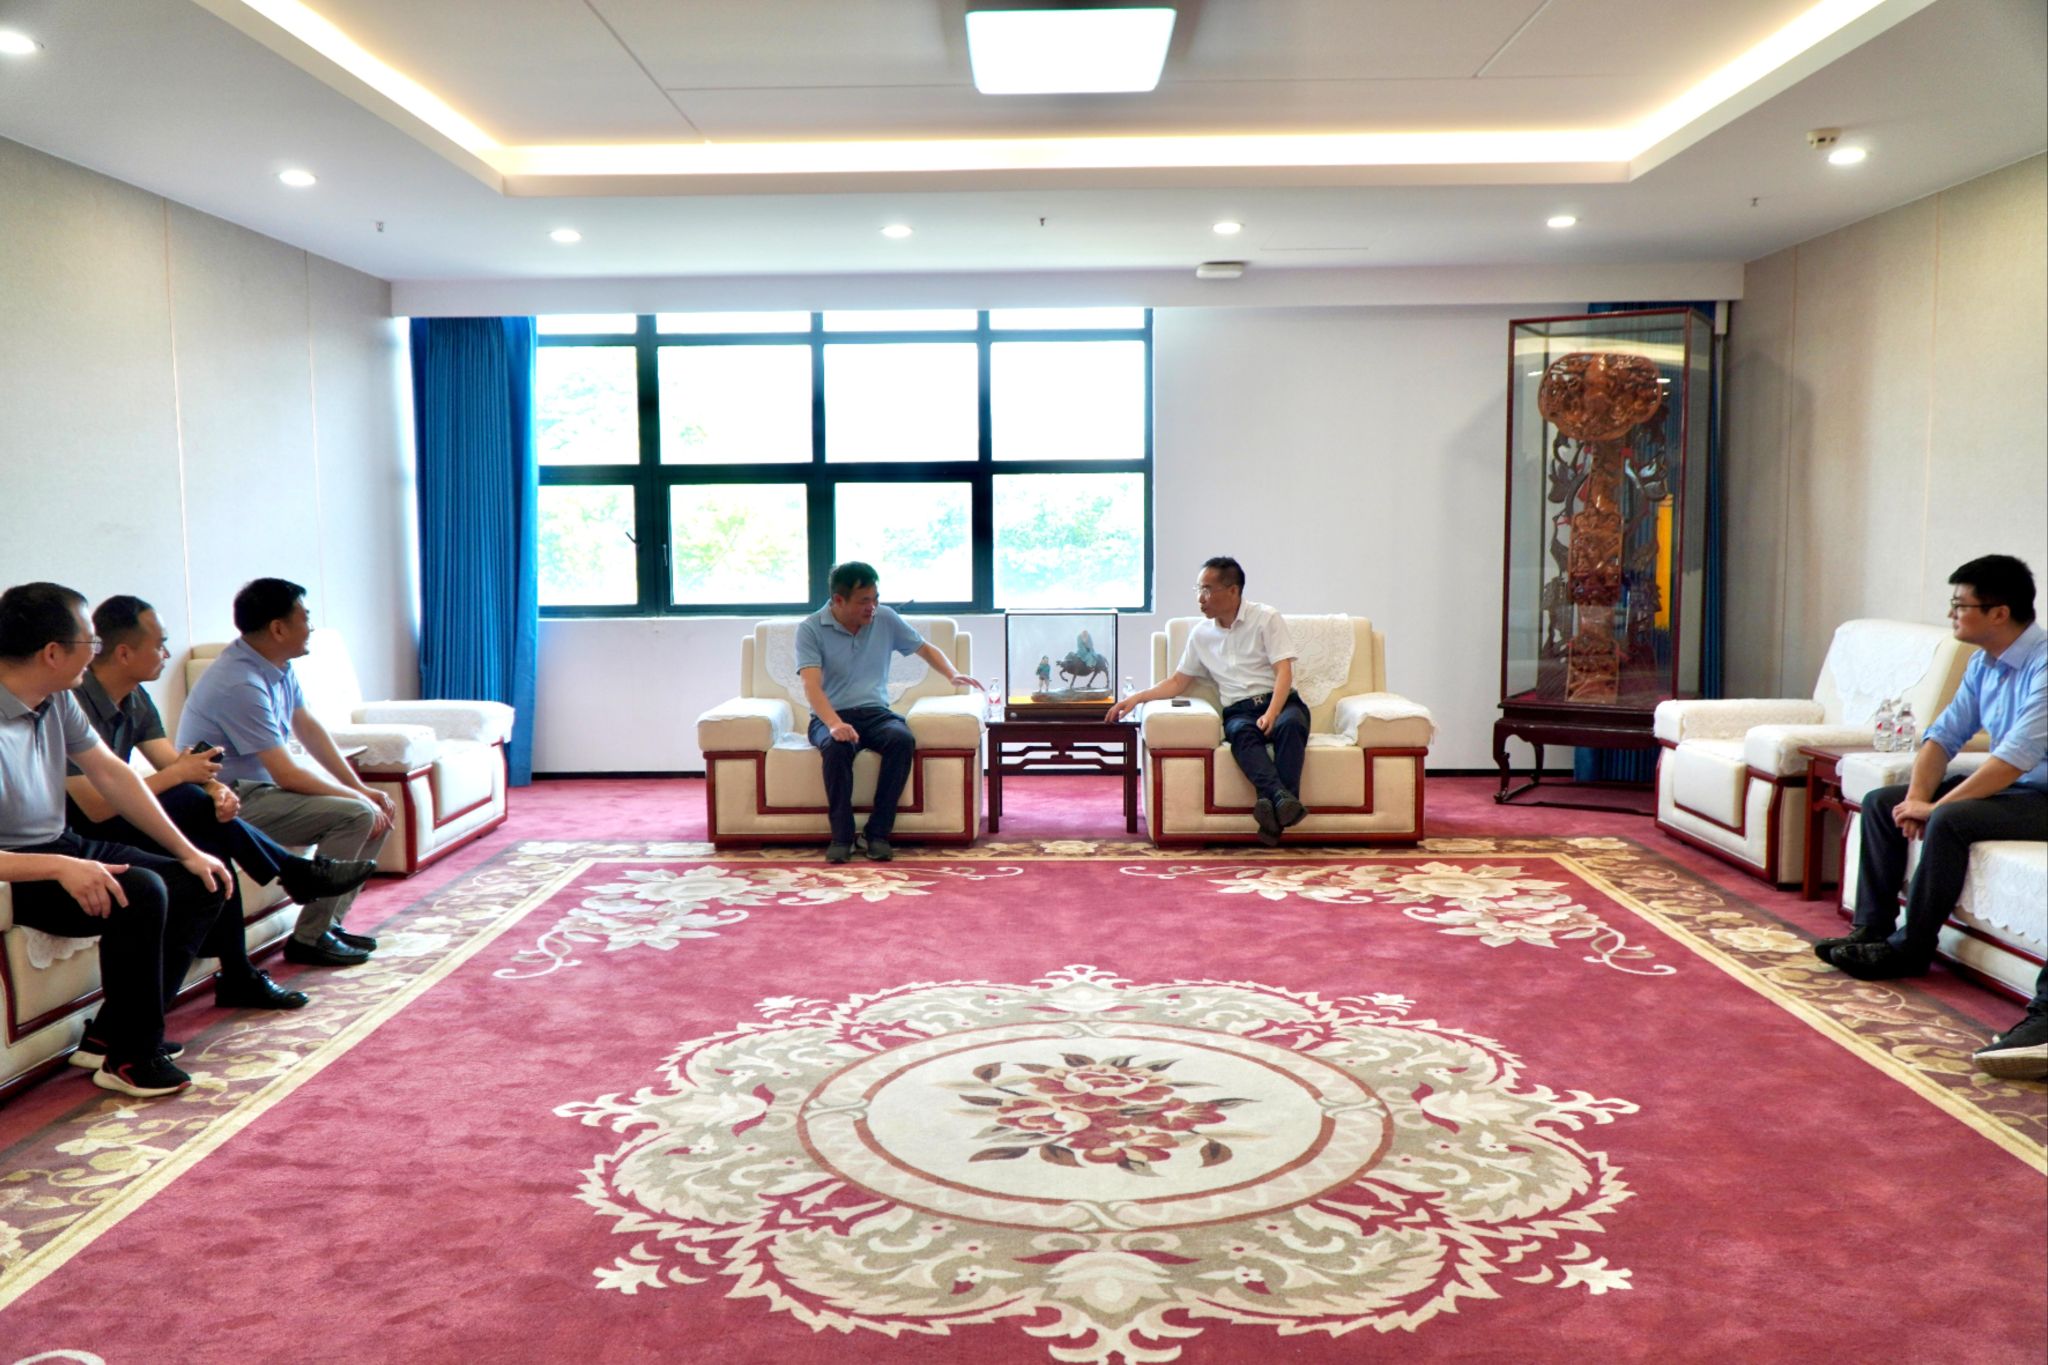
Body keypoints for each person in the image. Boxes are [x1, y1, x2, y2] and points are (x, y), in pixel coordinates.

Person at [65, 595, 381, 1013]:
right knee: (189, 803)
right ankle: (289, 880)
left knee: (207, 831)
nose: (166, 654)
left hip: (124, 815)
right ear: (124, 653)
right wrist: (185, 778)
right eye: (160, 645)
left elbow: (173, 763)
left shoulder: (134, 696)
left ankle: (242, 969)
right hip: (80, 828)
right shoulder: (73, 702)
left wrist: (214, 789)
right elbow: (96, 807)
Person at [1814, 554, 2046, 1081]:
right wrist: (1916, 798)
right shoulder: (1984, 663)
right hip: (2015, 788)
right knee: (1883, 802)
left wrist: (1936, 808)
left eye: (1960, 605)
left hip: (2041, 796)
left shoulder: (2044, 665)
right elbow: (1941, 737)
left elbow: (2015, 758)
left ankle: (1912, 948)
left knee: (1951, 820)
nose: (1951, 615)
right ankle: (1871, 929)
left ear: (1999, 612)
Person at [0, 582, 232, 1097]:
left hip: (59, 844)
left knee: (201, 881)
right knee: (142, 891)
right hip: (14, 869)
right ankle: (132, 1057)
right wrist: (60, 868)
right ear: (52, 652)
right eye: (90, 641)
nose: (97, 650)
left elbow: (112, 773)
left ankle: (111, 1035)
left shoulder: (56, 698)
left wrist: (189, 852)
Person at [177, 578, 395, 967]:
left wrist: (359, 786)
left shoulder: (276, 665)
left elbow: (308, 727)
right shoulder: (240, 682)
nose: (311, 627)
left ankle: (327, 925)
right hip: (226, 803)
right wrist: (359, 797)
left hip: (259, 792)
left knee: (374, 808)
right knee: (358, 814)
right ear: (278, 628)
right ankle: (310, 939)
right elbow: (287, 775)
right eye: (305, 618)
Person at [1107, 556, 1308, 846]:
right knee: (1241, 734)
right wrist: (1137, 698)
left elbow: (1284, 671)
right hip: (1240, 710)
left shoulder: (1266, 618)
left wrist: (1273, 713)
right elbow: (1178, 682)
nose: (1200, 598)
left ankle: (1272, 809)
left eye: (1207, 590)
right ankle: (1282, 800)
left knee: (1291, 725)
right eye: (1198, 589)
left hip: (1283, 702)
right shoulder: (1201, 634)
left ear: (1233, 591)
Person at [797, 561, 983, 864]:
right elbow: (811, 685)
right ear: (839, 600)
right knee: (837, 748)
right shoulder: (811, 629)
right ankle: (842, 837)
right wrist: (834, 724)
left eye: (876, 598)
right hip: (830, 716)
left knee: (901, 739)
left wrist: (952, 673)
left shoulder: (884, 618)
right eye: (864, 601)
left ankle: (877, 834)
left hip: (875, 712)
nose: (872, 607)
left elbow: (925, 648)